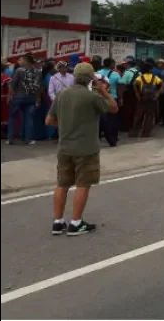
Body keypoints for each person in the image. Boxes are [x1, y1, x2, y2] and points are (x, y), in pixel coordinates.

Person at [46, 63, 118, 236]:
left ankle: (58, 221)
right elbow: (114, 108)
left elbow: (49, 121)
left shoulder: (62, 94)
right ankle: (76, 222)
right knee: (83, 184)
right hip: (86, 148)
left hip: (64, 147)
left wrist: (65, 126)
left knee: (62, 184)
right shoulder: (91, 97)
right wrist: (102, 90)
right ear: (91, 78)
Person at [7, 53, 42, 146]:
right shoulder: (38, 71)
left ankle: (10, 138)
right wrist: (38, 99)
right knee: (29, 118)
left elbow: (12, 84)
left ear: (26, 61)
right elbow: (38, 87)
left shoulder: (19, 70)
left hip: (19, 97)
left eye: (20, 60)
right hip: (31, 98)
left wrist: (10, 96)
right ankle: (28, 139)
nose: (19, 62)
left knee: (12, 117)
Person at [130, 62, 164, 138]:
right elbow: (162, 83)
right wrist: (158, 93)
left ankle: (135, 132)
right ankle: (146, 133)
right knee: (149, 116)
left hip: (142, 98)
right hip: (152, 99)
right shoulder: (154, 77)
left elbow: (134, 84)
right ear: (151, 69)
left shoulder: (141, 77)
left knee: (138, 115)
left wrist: (137, 94)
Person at [97, 58, 121, 147]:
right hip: (112, 98)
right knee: (113, 119)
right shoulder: (115, 74)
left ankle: (98, 137)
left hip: (100, 98)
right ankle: (113, 137)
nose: (114, 65)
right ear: (111, 64)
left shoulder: (98, 73)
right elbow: (120, 85)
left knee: (101, 118)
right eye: (114, 63)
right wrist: (121, 98)